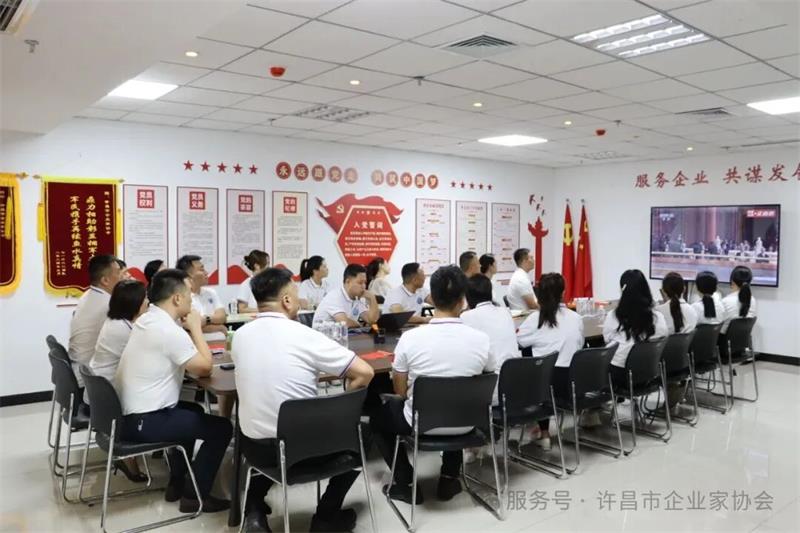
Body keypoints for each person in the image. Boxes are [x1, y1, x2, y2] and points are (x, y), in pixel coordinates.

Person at [233, 268, 375, 532]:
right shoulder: (304, 335)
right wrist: (342, 409)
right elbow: (364, 372)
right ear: (287, 300)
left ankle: (254, 508)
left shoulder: (240, 336)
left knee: (273, 427)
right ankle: (326, 517)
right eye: (296, 295)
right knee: (363, 433)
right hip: (301, 453)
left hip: (253, 449)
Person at [370, 266, 495, 504]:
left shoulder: (410, 339)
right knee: (457, 399)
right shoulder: (481, 340)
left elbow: (399, 391)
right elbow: (488, 375)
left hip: (421, 423)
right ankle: (449, 478)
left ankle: (405, 482)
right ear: (463, 300)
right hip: (467, 423)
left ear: (433, 299)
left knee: (377, 419)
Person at [115, 269, 232, 513]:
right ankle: (194, 497)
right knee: (222, 428)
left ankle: (177, 482)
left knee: (193, 410)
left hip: (130, 416)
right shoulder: (167, 330)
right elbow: (204, 367)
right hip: (143, 420)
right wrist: (196, 328)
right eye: (189, 295)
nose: (192, 301)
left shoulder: (148, 320)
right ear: (177, 298)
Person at [89, 279, 150, 482]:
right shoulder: (124, 331)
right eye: (145, 298)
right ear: (134, 303)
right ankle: (134, 457)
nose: (148, 302)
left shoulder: (116, 323)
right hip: (111, 400)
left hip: (102, 394)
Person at [516, 273, 583, 449]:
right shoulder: (576, 318)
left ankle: (544, 432)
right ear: (563, 293)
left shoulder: (535, 319)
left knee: (533, 361)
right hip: (572, 383)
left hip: (546, 385)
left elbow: (519, 342)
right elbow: (580, 344)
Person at [603, 269, 668, 392]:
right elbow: (663, 336)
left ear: (623, 290)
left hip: (620, 375)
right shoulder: (657, 317)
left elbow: (607, 339)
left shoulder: (614, 316)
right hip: (649, 373)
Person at [68, 255, 123, 385]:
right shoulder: (109, 305)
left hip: (80, 369)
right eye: (118, 272)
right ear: (105, 280)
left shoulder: (88, 294)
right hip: (90, 378)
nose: (123, 277)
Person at [176, 255, 227, 342]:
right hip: (196, 344)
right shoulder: (181, 297)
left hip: (219, 341)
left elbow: (222, 317)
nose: (206, 273)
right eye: (202, 270)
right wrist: (219, 327)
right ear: (189, 275)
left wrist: (206, 320)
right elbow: (188, 326)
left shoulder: (211, 292)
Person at [313, 264, 380, 328]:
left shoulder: (358, 297)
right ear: (348, 282)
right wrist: (358, 324)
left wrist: (372, 298)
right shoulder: (335, 296)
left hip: (342, 334)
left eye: (365, 282)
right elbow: (344, 322)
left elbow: (371, 320)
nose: (364, 286)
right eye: (360, 283)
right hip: (322, 334)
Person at [719, 265, 757, 361]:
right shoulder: (752, 300)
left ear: (732, 282)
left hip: (723, 346)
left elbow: (719, 324)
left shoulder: (726, 301)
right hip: (741, 346)